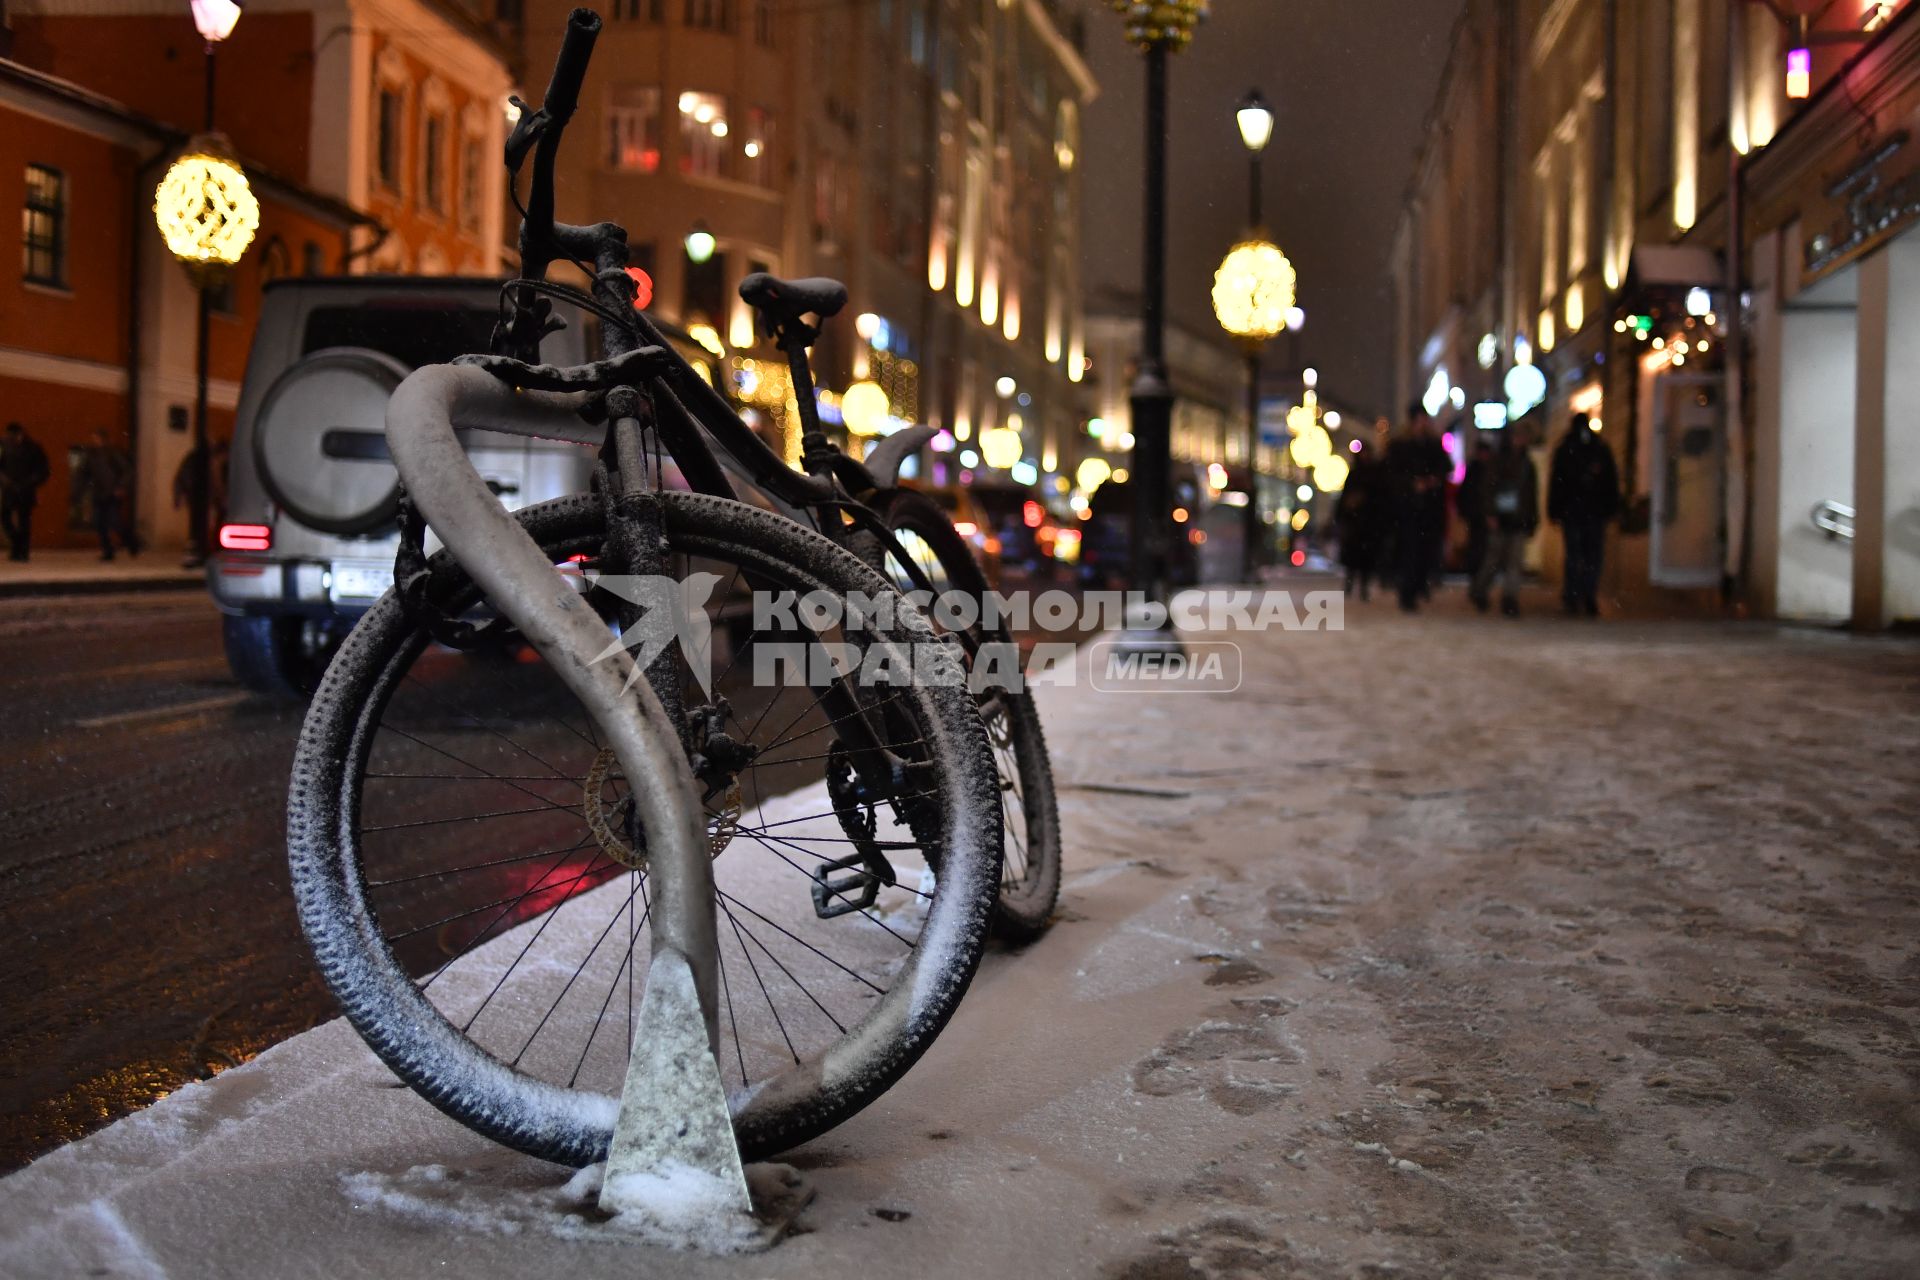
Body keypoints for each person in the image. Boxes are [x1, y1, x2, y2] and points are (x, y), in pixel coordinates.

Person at [1547, 413, 1620, 616]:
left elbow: (1557, 482)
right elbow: (1610, 482)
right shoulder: (1597, 449)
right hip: (1588, 511)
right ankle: (1584, 595)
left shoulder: (1569, 449)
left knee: (1578, 555)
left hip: (1579, 511)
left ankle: (1577, 596)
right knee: (1589, 556)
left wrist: (1555, 509)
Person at [1468, 426, 1539, 617]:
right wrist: (1490, 513)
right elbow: (1487, 488)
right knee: (1494, 559)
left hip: (1518, 518)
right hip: (1500, 517)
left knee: (1514, 561)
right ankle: (1480, 590)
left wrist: (1532, 519)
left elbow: (1531, 495)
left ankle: (1510, 598)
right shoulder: (1498, 461)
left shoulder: (1526, 463)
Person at [1386, 402, 1450, 612]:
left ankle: (1417, 586)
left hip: (1428, 509)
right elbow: (1391, 475)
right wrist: (1411, 484)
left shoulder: (1432, 444)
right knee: (1410, 552)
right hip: (1408, 509)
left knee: (1424, 551)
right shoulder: (1401, 445)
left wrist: (1432, 481)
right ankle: (1408, 592)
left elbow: (1444, 468)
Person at [1333, 442, 1388, 600]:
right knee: (1353, 557)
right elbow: (1344, 499)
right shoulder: (1355, 474)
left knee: (1366, 558)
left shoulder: (1374, 475)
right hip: (1355, 523)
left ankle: (1363, 587)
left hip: (1368, 522)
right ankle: (1350, 584)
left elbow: (1379, 498)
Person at [80, 429, 140, 561]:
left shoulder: (113, 453)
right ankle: (108, 551)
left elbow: (127, 471)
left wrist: (121, 487)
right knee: (100, 523)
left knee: (114, 521)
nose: (94, 441)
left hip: (112, 492)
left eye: (96, 438)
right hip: (99, 492)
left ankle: (130, 542)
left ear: (102, 439)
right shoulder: (91, 455)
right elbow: (84, 473)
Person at [1, 422, 50, 561]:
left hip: (25, 490)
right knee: (5, 518)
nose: (9, 438)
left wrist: (30, 482)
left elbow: (43, 470)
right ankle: (17, 544)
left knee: (24, 522)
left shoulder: (33, 448)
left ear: (20, 434)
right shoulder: (4, 445)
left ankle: (22, 552)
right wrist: (4, 480)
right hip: (10, 488)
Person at [1455, 439, 1494, 582]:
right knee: (1478, 544)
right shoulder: (1477, 469)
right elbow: (1466, 492)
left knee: (1480, 545)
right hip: (1477, 514)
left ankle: (1478, 574)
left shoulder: (1482, 469)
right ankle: (1476, 573)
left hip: (1480, 514)